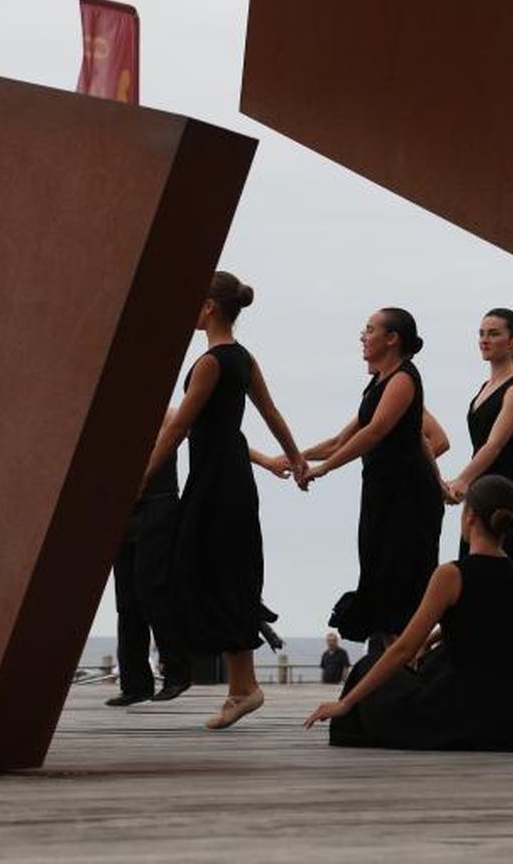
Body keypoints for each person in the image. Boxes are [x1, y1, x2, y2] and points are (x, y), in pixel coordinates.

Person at [142, 271, 307, 729]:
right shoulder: (243, 359)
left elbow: (178, 429)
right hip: (230, 477)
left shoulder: (210, 363)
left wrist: (141, 480)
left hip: (215, 482)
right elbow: (266, 414)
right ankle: (239, 687)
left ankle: (233, 685)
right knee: (224, 573)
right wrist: (295, 460)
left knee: (203, 571)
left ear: (211, 307)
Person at [304, 475, 513, 750]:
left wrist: (345, 703)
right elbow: (485, 623)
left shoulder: (452, 575)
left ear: (469, 516)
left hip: (460, 708)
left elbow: (403, 649)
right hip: (511, 710)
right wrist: (432, 639)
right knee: (433, 662)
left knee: (366, 666)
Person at [300, 308, 449, 654]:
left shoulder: (404, 379)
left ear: (392, 338)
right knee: (379, 576)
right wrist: (299, 457)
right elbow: (341, 441)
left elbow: (376, 432)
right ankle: (390, 672)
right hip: (382, 496)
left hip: (408, 499)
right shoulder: (378, 383)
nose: (362, 337)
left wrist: (324, 470)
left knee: (403, 580)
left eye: (369, 330)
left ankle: (406, 672)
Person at [106, 412, 193, 706]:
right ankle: (135, 685)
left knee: (151, 592)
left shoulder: (170, 416)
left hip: (160, 507)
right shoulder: (115, 420)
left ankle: (177, 673)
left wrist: (267, 461)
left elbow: (215, 437)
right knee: (126, 602)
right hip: (125, 511)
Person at [447, 309, 513, 567]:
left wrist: (463, 479)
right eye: (482, 333)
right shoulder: (485, 387)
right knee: (471, 563)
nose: (485, 339)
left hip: (507, 487)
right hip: (481, 485)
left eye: (494, 334)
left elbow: (495, 444)